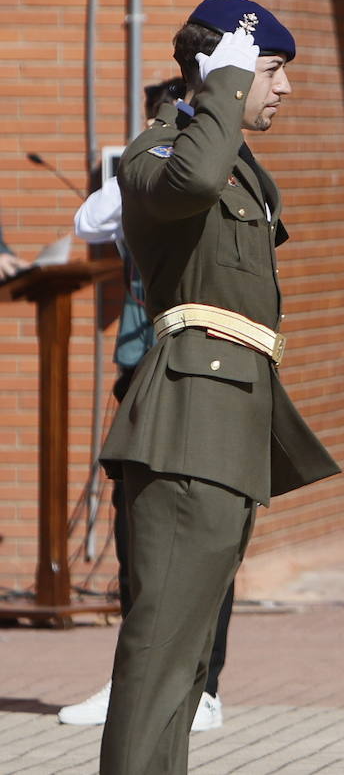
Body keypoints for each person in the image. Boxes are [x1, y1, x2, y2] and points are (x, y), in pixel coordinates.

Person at [96, 0, 341, 775]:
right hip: (187, 426)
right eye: (270, 70)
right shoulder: (159, 152)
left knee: (188, 660)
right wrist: (223, 89)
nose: (283, 88)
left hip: (227, 426)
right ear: (223, 73)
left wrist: (225, 98)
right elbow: (192, 185)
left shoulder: (230, 159)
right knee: (159, 652)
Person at [59, 77, 234, 733]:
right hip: (141, 367)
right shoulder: (154, 167)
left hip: (196, 371)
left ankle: (204, 685)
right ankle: (136, 680)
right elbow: (90, 219)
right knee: (141, 532)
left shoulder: (213, 170)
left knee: (208, 531)